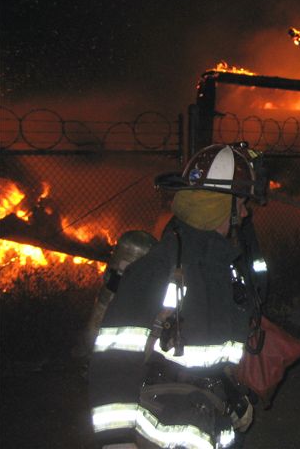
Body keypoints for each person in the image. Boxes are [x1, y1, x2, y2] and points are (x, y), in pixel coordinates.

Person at [88, 143, 269, 449]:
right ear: (218, 205)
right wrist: (117, 441)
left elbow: (201, 359)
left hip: (205, 423)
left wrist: (231, 396)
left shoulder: (221, 266)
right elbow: (114, 359)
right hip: (158, 431)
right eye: (239, 202)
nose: (246, 211)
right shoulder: (159, 267)